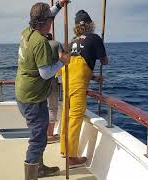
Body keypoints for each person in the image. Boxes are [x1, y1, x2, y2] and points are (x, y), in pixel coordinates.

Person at [15, 1, 70, 180]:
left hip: (24, 93)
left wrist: (60, 5)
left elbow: (48, 15)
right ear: (46, 22)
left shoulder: (27, 32)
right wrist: (63, 61)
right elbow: (46, 73)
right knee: (38, 139)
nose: (51, 22)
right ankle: (31, 176)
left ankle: (40, 168)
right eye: (50, 20)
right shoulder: (41, 43)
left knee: (39, 134)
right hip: (33, 98)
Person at [59, 10, 109, 168]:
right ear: (90, 24)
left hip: (66, 81)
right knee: (75, 118)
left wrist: (93, 77)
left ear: (76, 27)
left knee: (65, 115)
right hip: (78, 84)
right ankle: (71, 156)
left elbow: (73, 66)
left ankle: (64, 150)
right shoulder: (94, 38)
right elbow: (105, 61)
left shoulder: (71, 41)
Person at [45, 33, 64, 144]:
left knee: (42, 106)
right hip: (51, 78)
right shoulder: (56, 44)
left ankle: (41, 134)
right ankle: (50, 135)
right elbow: (62, 57)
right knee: (52, 107)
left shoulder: (39, 44)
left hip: (39, 79)